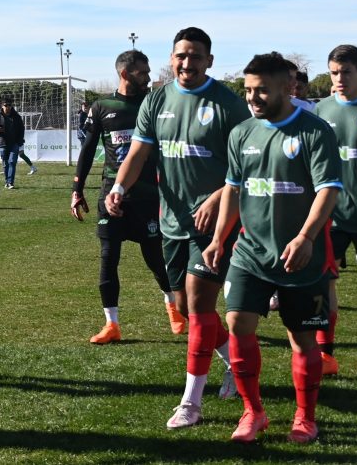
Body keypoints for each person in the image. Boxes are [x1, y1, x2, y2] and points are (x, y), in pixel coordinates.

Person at [106, 27, 250, 429]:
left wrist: (219, 197)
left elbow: (248, 165)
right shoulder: (158, 99)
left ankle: (191, 402)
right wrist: (119, 185)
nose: (187, 63)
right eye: (180, 56)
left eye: (196, 56)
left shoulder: (228, 105)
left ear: (209, 61)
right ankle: (235, 364)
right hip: (171, 220)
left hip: (214, 222)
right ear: (172, 59)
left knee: (201, 306)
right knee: (186, 308)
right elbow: (140, 150)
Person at [204, 52, 341, 444]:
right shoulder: (241, 133)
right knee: (238, 324)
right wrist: (218, 238)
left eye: (261, 90)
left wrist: (306, 237)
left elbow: (328, 189)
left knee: (301, 340)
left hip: (301, 257)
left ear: (287, 87)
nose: (253, 98)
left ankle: (305, 416)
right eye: (248, 90)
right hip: (250, 253)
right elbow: (233, 188)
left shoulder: (315, 132)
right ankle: (254, 413)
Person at [71, 50, 179, 344]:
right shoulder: (102, 106)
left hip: (148, 195)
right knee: (108, 258)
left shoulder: (154, 103)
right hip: (112, 195)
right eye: (142, 72)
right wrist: (77, 189)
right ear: (125, 73)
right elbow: (88, 149)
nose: (148, 77)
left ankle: (174, 308)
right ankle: (112, 324)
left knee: (156, 258)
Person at [314, 45, 357, 376]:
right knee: (324, 281)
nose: (339, 78)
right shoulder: (320, 110)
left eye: (346, 72)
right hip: (332, 216)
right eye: (333, 72)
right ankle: (326, 354)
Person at [0, 99, 25, 189]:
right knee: (5, 164)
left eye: (9, 105)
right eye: (5, 105)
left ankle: (10, 182)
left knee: (12, 162)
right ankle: (7, 181)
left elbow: (22, 130)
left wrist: (19, 142)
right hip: (2, 144)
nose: (7, 107)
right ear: (2, 106)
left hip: (14, 144)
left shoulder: (17, 117)